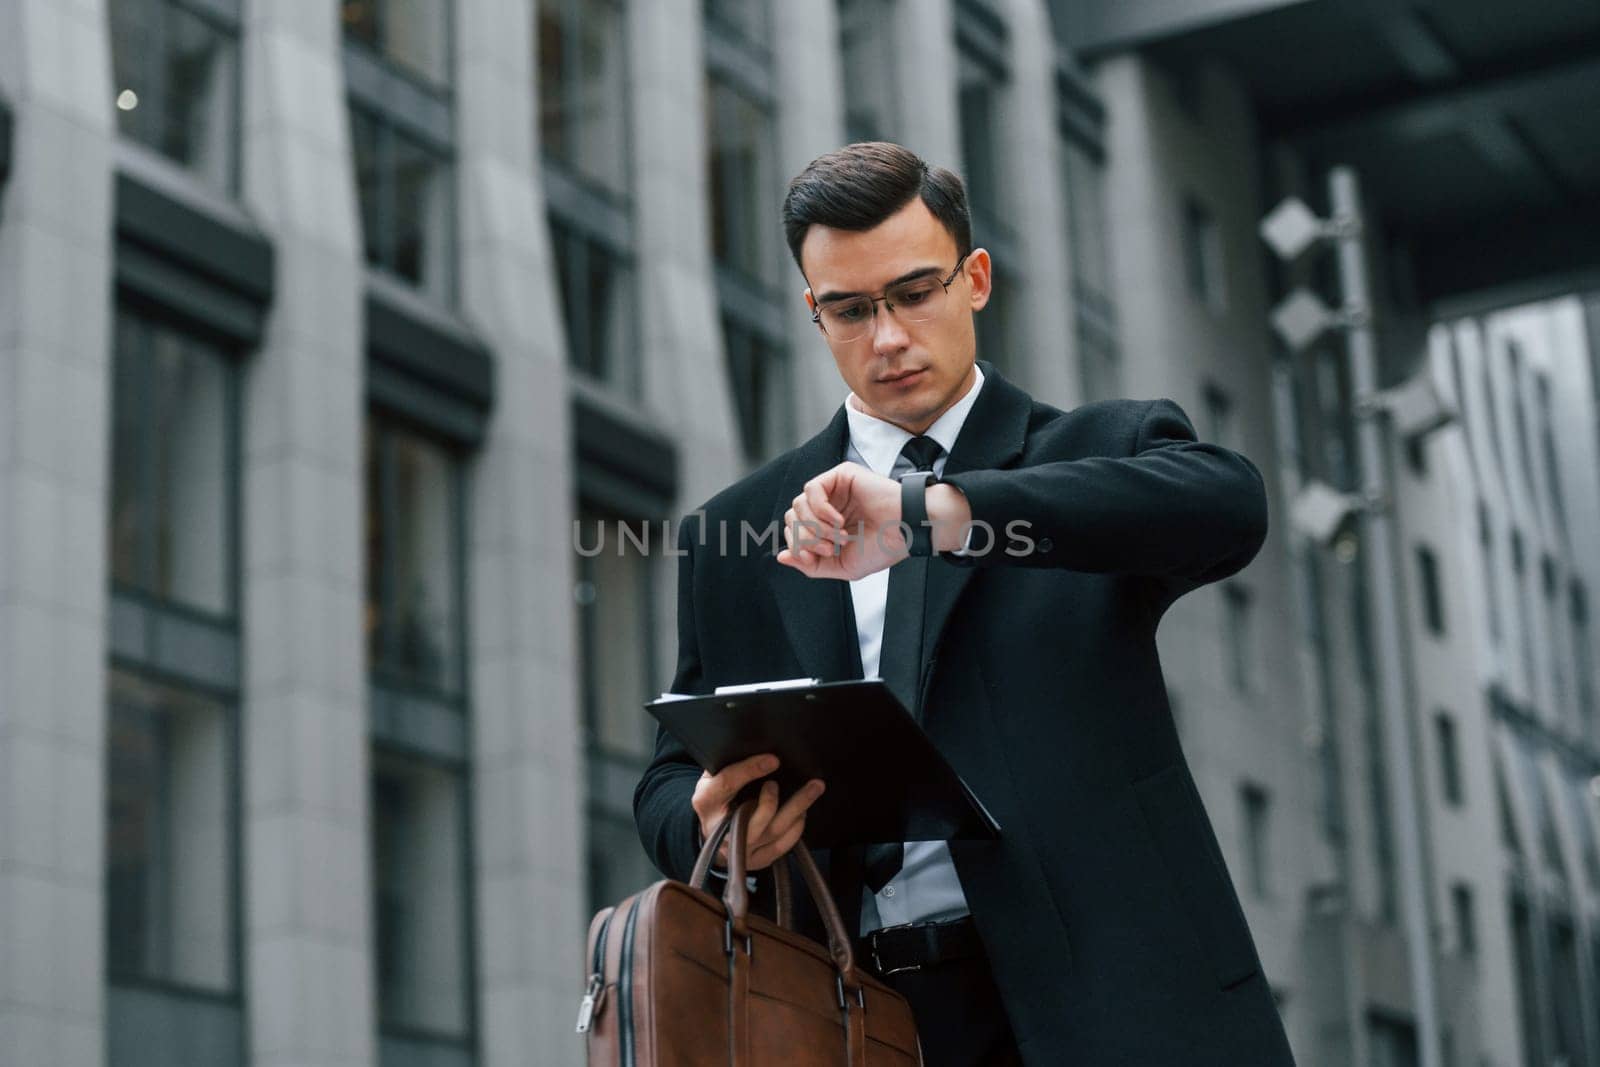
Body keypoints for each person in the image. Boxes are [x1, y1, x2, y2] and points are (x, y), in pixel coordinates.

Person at [633, 142, 1295, 1066]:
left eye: (914, 293)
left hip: (1115, 1009)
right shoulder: (737, 533)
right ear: (813, 313)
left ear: (974, 279)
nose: (889, 337)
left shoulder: (1095, 449)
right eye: (852, 309)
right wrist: (707, 821)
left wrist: (938, 511)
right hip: (854, 1019)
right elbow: (668, 776)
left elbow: (1228, 504)